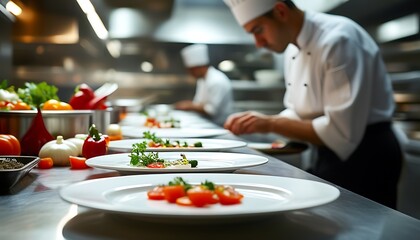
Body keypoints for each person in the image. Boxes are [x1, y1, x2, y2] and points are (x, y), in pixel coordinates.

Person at [223, 0, 402, 209]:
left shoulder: (338, 39)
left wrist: (271, 123)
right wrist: (255, 123)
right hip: (326, 153)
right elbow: (297, 111)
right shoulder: (292, 48)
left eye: (258, 30)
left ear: (280, 11)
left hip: (368, 157)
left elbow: (340, 133)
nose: (258, 43)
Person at [175, 44, 234, 126]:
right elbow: (199, 103)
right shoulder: (202, 80)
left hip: (219, 126)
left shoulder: (217, 80)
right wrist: (190, 105)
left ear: (199, 67)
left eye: (191, 70)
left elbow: (212, 111)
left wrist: (189, 106)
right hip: (205, 123)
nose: (190, 73)